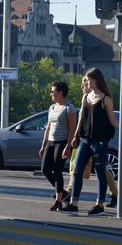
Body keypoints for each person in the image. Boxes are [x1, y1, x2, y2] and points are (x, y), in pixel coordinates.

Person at [63, 68, 118, 215]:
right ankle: (74, 203)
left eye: (88, 79)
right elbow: (81, 118)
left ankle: (99, 205)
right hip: (85, 140)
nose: (86, 81)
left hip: (99, 141)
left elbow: (112, 120)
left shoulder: (106, 99)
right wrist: (75, 136)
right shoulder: (86, 97)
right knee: (77, 170)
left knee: (100, 172)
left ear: (96, 80)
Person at [40, 82, 77, 211]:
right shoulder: (52, 108)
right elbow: (48, 127)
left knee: (57, 170)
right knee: (45, 169)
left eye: (53, 91)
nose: (51, 93)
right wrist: (43, 145)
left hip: (62, 142)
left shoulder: (69, 108)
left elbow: (73, 129)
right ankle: (63, 193)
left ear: (60, 92)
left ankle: (58, 200)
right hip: (51, 141)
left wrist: (68, 146)